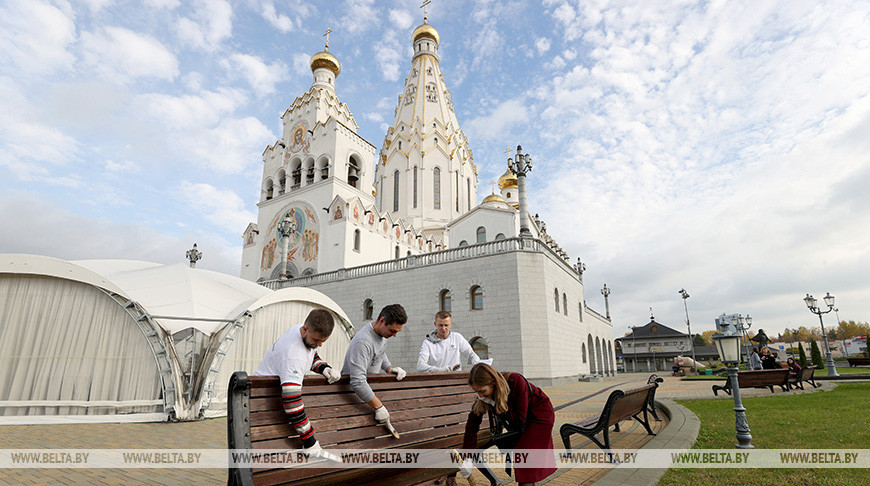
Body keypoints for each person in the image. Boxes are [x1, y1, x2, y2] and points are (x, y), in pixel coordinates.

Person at [252, 309, 342, 462]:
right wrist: (310, 441)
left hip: (270, 399)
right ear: (305, 329)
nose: (319, 345)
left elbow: (311, 353)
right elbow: (292, 403)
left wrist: (324, 368)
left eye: (323, 341)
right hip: (260, 405)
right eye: (317, 340)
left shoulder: (300, 329)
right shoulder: (293, 356)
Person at [459, 363, 556, 486]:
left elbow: (518, 422)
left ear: (493, 382)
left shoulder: (515, 381)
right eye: (476, 392)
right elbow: (471, 426)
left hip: (539, 415)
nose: (480, 396)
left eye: (482, 391)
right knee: (524, 463)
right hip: (522, 420)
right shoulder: (484, 396)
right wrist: (468, 457)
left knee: (525, 459)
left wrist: (494, 405)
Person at [341, 304, 408, 430]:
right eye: (393, 331)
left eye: (397, 331)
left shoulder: (382, 334)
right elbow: (358, 382)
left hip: (368, 398)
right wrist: (379, 406)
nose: (394, 335)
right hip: (352, 399)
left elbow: (380, 352)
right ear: (382, 320)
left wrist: (389, 368)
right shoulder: (363, 342)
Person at [417, 311, 482, 372]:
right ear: (435, 324)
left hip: (456, 378)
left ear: (450, 324)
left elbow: (471, 354)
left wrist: (478, 364)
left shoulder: (457, 337)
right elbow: (420, 366)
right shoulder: (427, 343)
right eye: (440, 325)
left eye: (446, 325)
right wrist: (439, 370)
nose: (443, 328)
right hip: (437, 379)